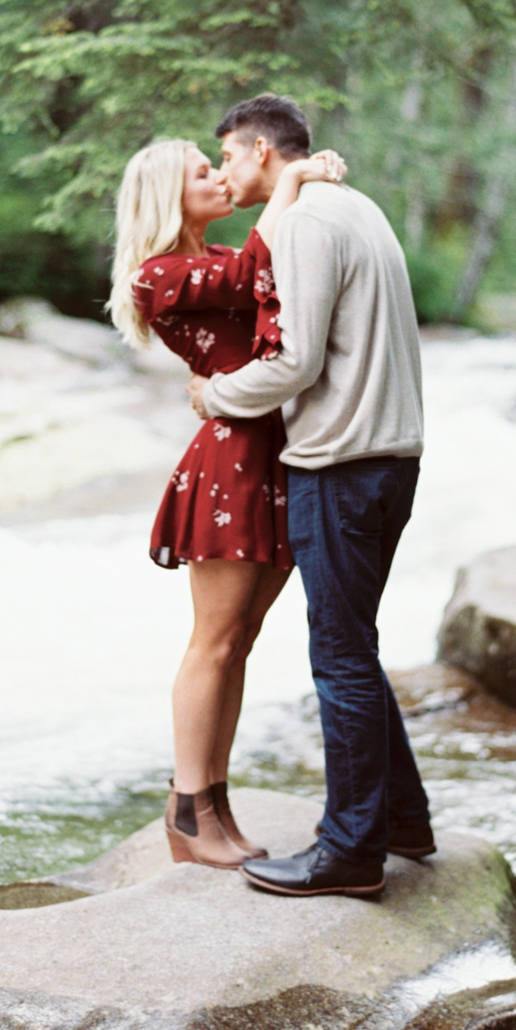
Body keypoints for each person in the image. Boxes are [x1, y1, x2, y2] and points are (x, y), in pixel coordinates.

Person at [191, 93, 431, 899]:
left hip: (341, 463)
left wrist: (216, 394)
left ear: (261, 148)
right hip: (390, 457)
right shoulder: (354, 206)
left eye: (226, 154)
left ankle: (349, 854)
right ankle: (402, 819)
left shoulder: (303, 223)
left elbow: (293, 361)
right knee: (353, 643)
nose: (224, 170)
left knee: (337, 656)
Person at [110, 134, 342, 868]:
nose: (216, 179)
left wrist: (307, 187)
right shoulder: (156, 276)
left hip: (274, 452)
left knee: (239, 641)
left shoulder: (209, 259)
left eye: (216, 167)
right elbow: (251, 275)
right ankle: (186, 809)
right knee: (212, 641)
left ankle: (217, 801)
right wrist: (292, 179)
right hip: (231, 464)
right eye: (201, 173)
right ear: (164, 196)